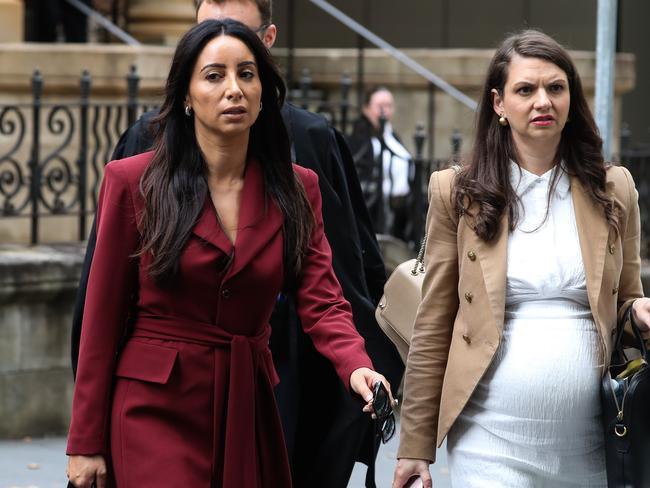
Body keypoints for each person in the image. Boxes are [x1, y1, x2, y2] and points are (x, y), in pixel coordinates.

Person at [69, 1, 404, 487]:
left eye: (246, 74)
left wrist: (356, 366)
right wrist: (85, 443)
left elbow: (324, 300)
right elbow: (100, 320)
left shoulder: (297, 188)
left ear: (263, 90)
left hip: (248, 401)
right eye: (214, 76)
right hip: (152, 407)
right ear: (186, 93)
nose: (233, 89)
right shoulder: (132, 182)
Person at [392, 29, 650, 488]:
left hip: (594, 442)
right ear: (498, 103)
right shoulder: (458, 192)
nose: (542, 101)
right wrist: (415, 446)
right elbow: (433, 322)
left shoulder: (616, 188)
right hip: (489, 441)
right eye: (525, 90)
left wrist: (640, 314)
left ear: (572, 97)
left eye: (555, 87)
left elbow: (627, 304)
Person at [349, 86, 412, 240]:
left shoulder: (392, 135)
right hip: (373, 207)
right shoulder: (360, 138)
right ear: (366, 109)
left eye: (389, 106)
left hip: (399, 207)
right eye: (380, 106)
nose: (385, 111)